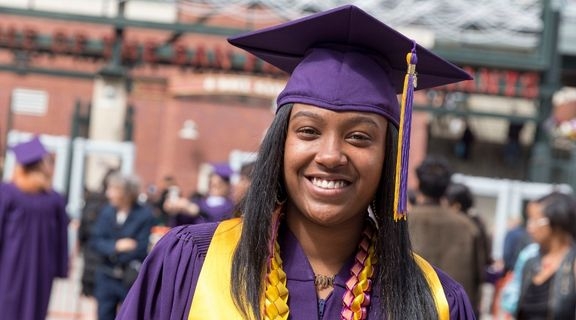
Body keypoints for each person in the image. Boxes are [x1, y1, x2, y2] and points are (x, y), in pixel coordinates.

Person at [117, 5, 475, 319]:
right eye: (308, 131)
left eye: (359, 137)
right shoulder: (190, 263)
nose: (331, 155)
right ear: (280, 144)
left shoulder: (436, 302)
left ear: (389, 158)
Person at [0, 136, 69, 320]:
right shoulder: (53, 199)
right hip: (40, 268)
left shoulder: (6, 193)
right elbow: (62, 239)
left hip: (9, 267)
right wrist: (60, 268)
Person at [409, 156, 486, 316]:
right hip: (456, 312)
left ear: (418, 185)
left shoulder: (403, 222)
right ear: (447, 187)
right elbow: (480, 275)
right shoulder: (468, 226)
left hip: (412, 310)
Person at [90, 172, 156, 320]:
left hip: (130, 277)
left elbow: (142, 246)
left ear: (127, 192)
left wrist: (127, 250)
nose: (108, 194)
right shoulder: (106, 212)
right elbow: (95, 241)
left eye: (113, 189)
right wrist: (116, 246)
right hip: (106, 275)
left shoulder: (145, 215)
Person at [509, 192, 576, 319]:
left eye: (535, 220)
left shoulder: (572, 264)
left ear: (557, 222)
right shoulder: (530, 263)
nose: (530, 228)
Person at [165, 163, 235, 226]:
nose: (213, 187)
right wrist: (179, 210)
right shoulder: (200, 201)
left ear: (227, 186)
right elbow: (183, 223)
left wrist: (196, 210)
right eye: (211, 184)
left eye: (218, 185)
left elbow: (215, 219)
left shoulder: (229, 206)